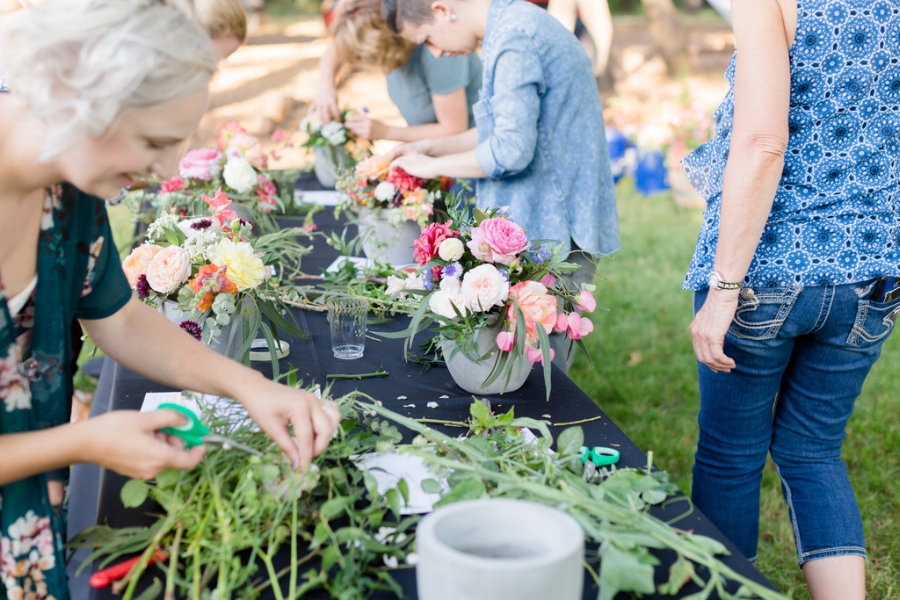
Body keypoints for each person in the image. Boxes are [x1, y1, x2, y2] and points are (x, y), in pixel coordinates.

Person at [0, 2, 340, 598]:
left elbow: (121, 318)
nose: (163, 171)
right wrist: (83, 442)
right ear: (82, 97)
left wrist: (253, 388)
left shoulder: (68, 186)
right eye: (153, 141)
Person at [682, 1, 900, 598]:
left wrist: (723, 291)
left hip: (768, 271)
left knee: (731, 455)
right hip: (872, 275)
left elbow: (762, 139)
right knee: (813, 453)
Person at [310, 0, 482, 143]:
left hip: (469, 156)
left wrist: (385, 132)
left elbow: (453, 130)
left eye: (362, 57)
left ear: (384, 47)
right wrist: (325, 87)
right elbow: (335, 50)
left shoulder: (440, 51)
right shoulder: (395, 49)